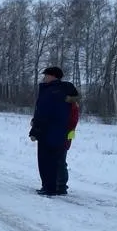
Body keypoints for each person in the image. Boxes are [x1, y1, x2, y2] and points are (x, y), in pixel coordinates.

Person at [28, 66, 80, 196]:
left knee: (53, 160)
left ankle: (53, 187)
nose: (44, 77)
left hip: (59, 130)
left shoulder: (53, 92)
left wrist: (35, 129)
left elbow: (44, 113)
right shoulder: (65, 92)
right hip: (65, 131)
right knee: (59, 158)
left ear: (53, 76)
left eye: (46, 75)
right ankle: (59, 186)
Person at [56, 98, 81, 194]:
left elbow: (72, 123)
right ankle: (57, 184)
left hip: (65, 135)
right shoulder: (66, 104)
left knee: (61, 161)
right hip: (64, 134)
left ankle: (61, 186)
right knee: (58, 160)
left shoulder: (72, 105)